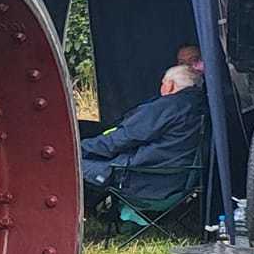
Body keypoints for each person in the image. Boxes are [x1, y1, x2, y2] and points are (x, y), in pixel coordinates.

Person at [80, 63, 208, 204]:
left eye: (163, 83)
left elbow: (119, 140)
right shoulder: (205, 107)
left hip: (141, 181)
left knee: (72, 165)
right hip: (177, 183)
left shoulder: (167, 106)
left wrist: (77, 149)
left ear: (170, 85)